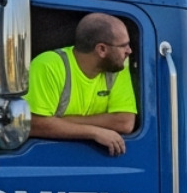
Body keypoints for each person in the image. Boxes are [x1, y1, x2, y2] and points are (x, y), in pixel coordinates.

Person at [26, 13, 138, 156]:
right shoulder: (48, 66)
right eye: (124, 46)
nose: (129, 51)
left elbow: (124, 122)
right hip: (47, 157)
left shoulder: (118, 68)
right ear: (101, 49)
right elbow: (34, 125)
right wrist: (94, 132)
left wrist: (60, 122)